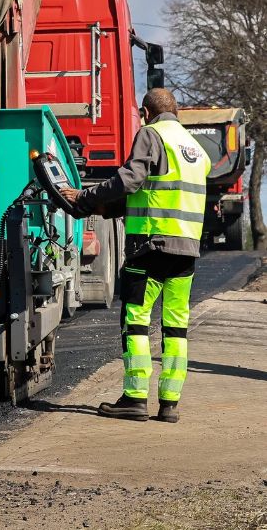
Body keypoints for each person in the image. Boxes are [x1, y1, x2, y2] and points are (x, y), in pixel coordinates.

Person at [62, 87, 210, 423]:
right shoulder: (194, 148)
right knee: (176, 327)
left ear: (145, 113)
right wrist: (104, 208)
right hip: (186, 251)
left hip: (150, 248)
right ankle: (169, 403)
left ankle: (135, 397)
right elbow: (158, 192)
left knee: (136, 320)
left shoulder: (151, 135)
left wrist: (85, 197)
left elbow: (129, 181)